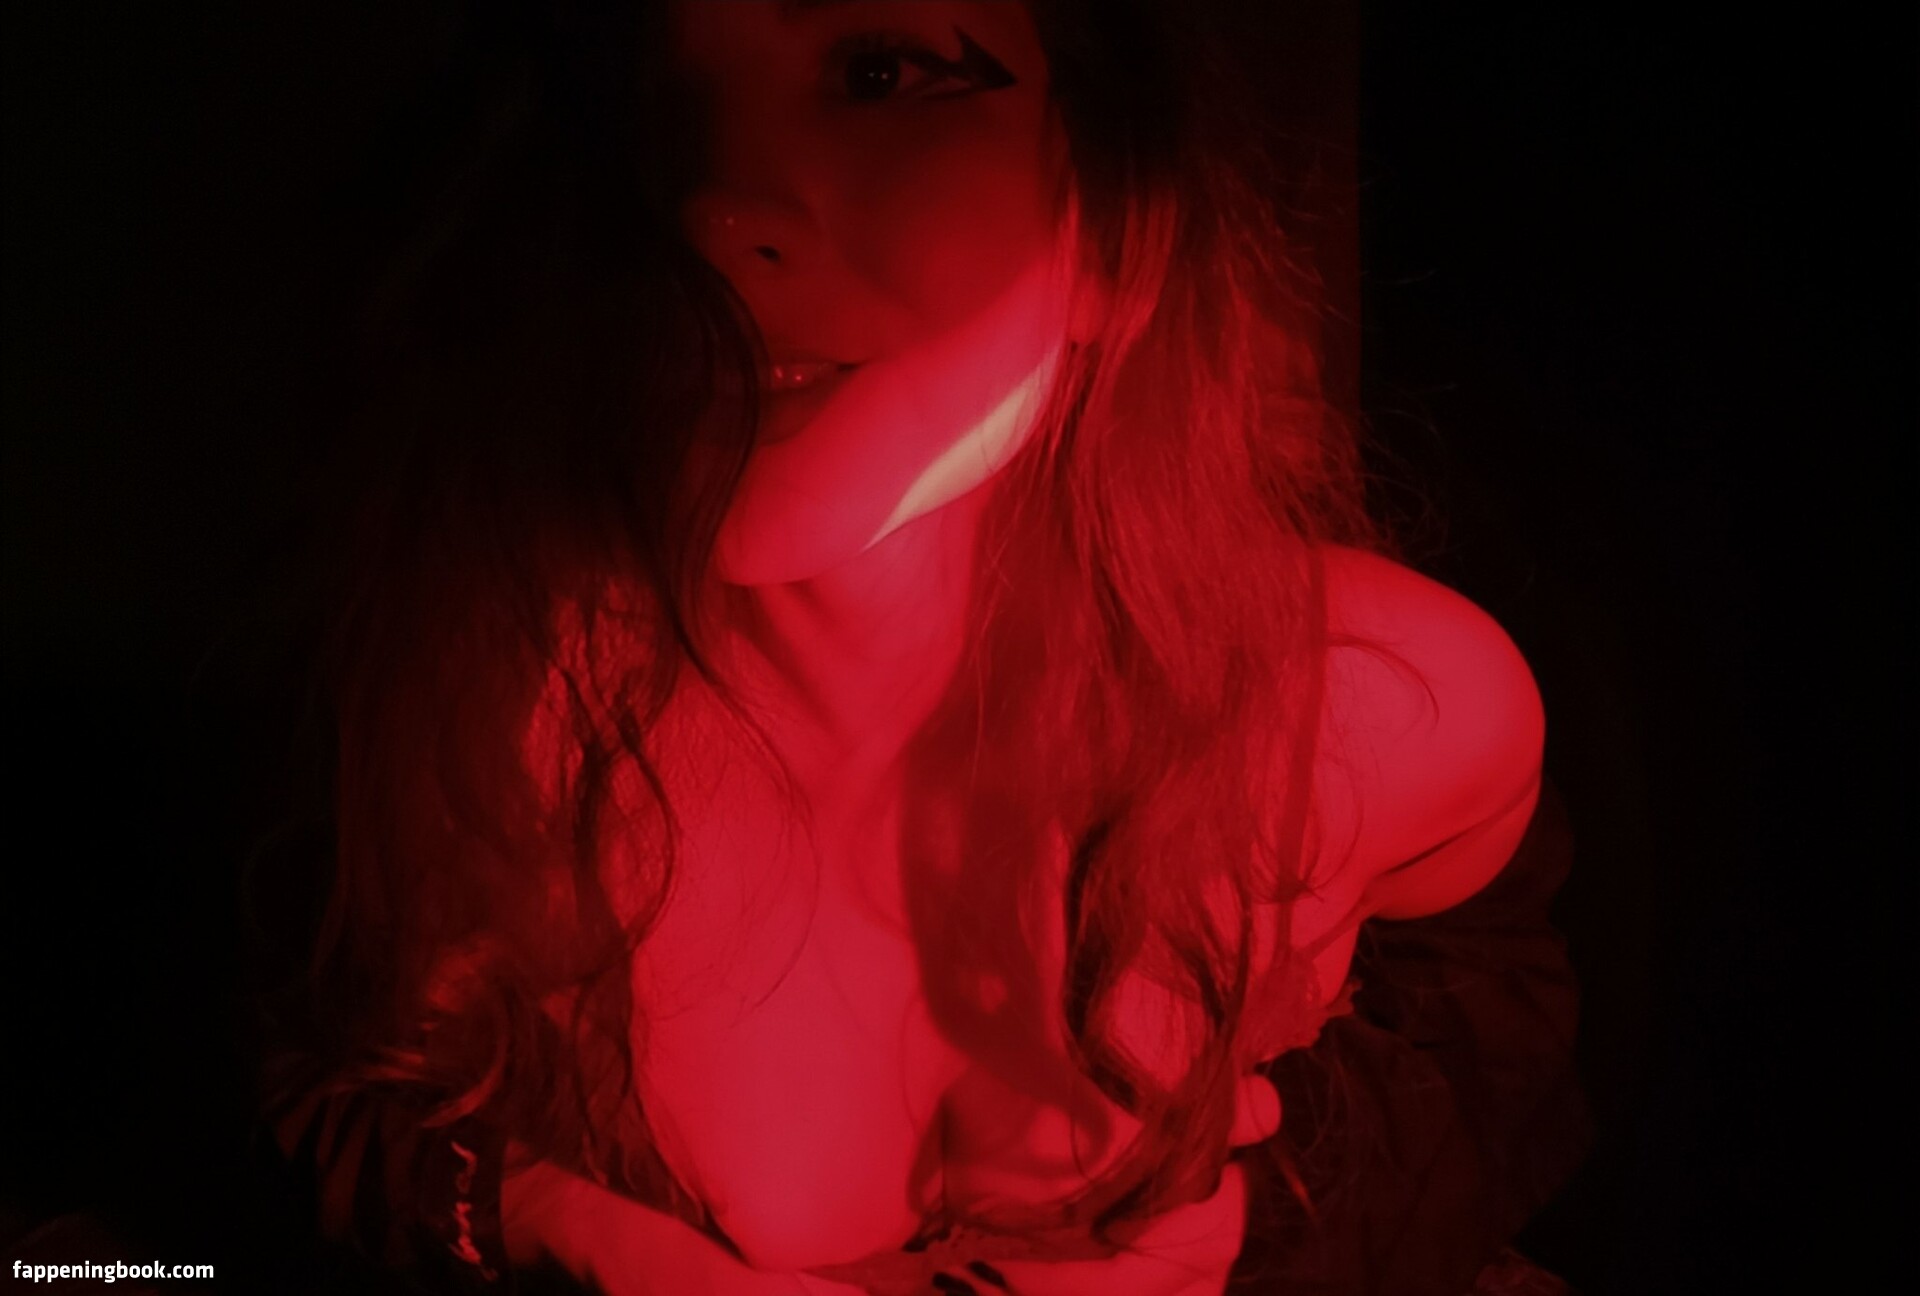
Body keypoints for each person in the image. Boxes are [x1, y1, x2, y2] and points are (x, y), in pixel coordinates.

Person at [259, 2, 1584, 1293]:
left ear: (1113, 223)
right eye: (647, 107)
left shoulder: (1374, 699)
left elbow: (1489, 1029)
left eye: (880, 73)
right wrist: (570, 1226)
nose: (712, 213)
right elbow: (317, 1079)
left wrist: (1274, 1235)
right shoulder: (465, 713)